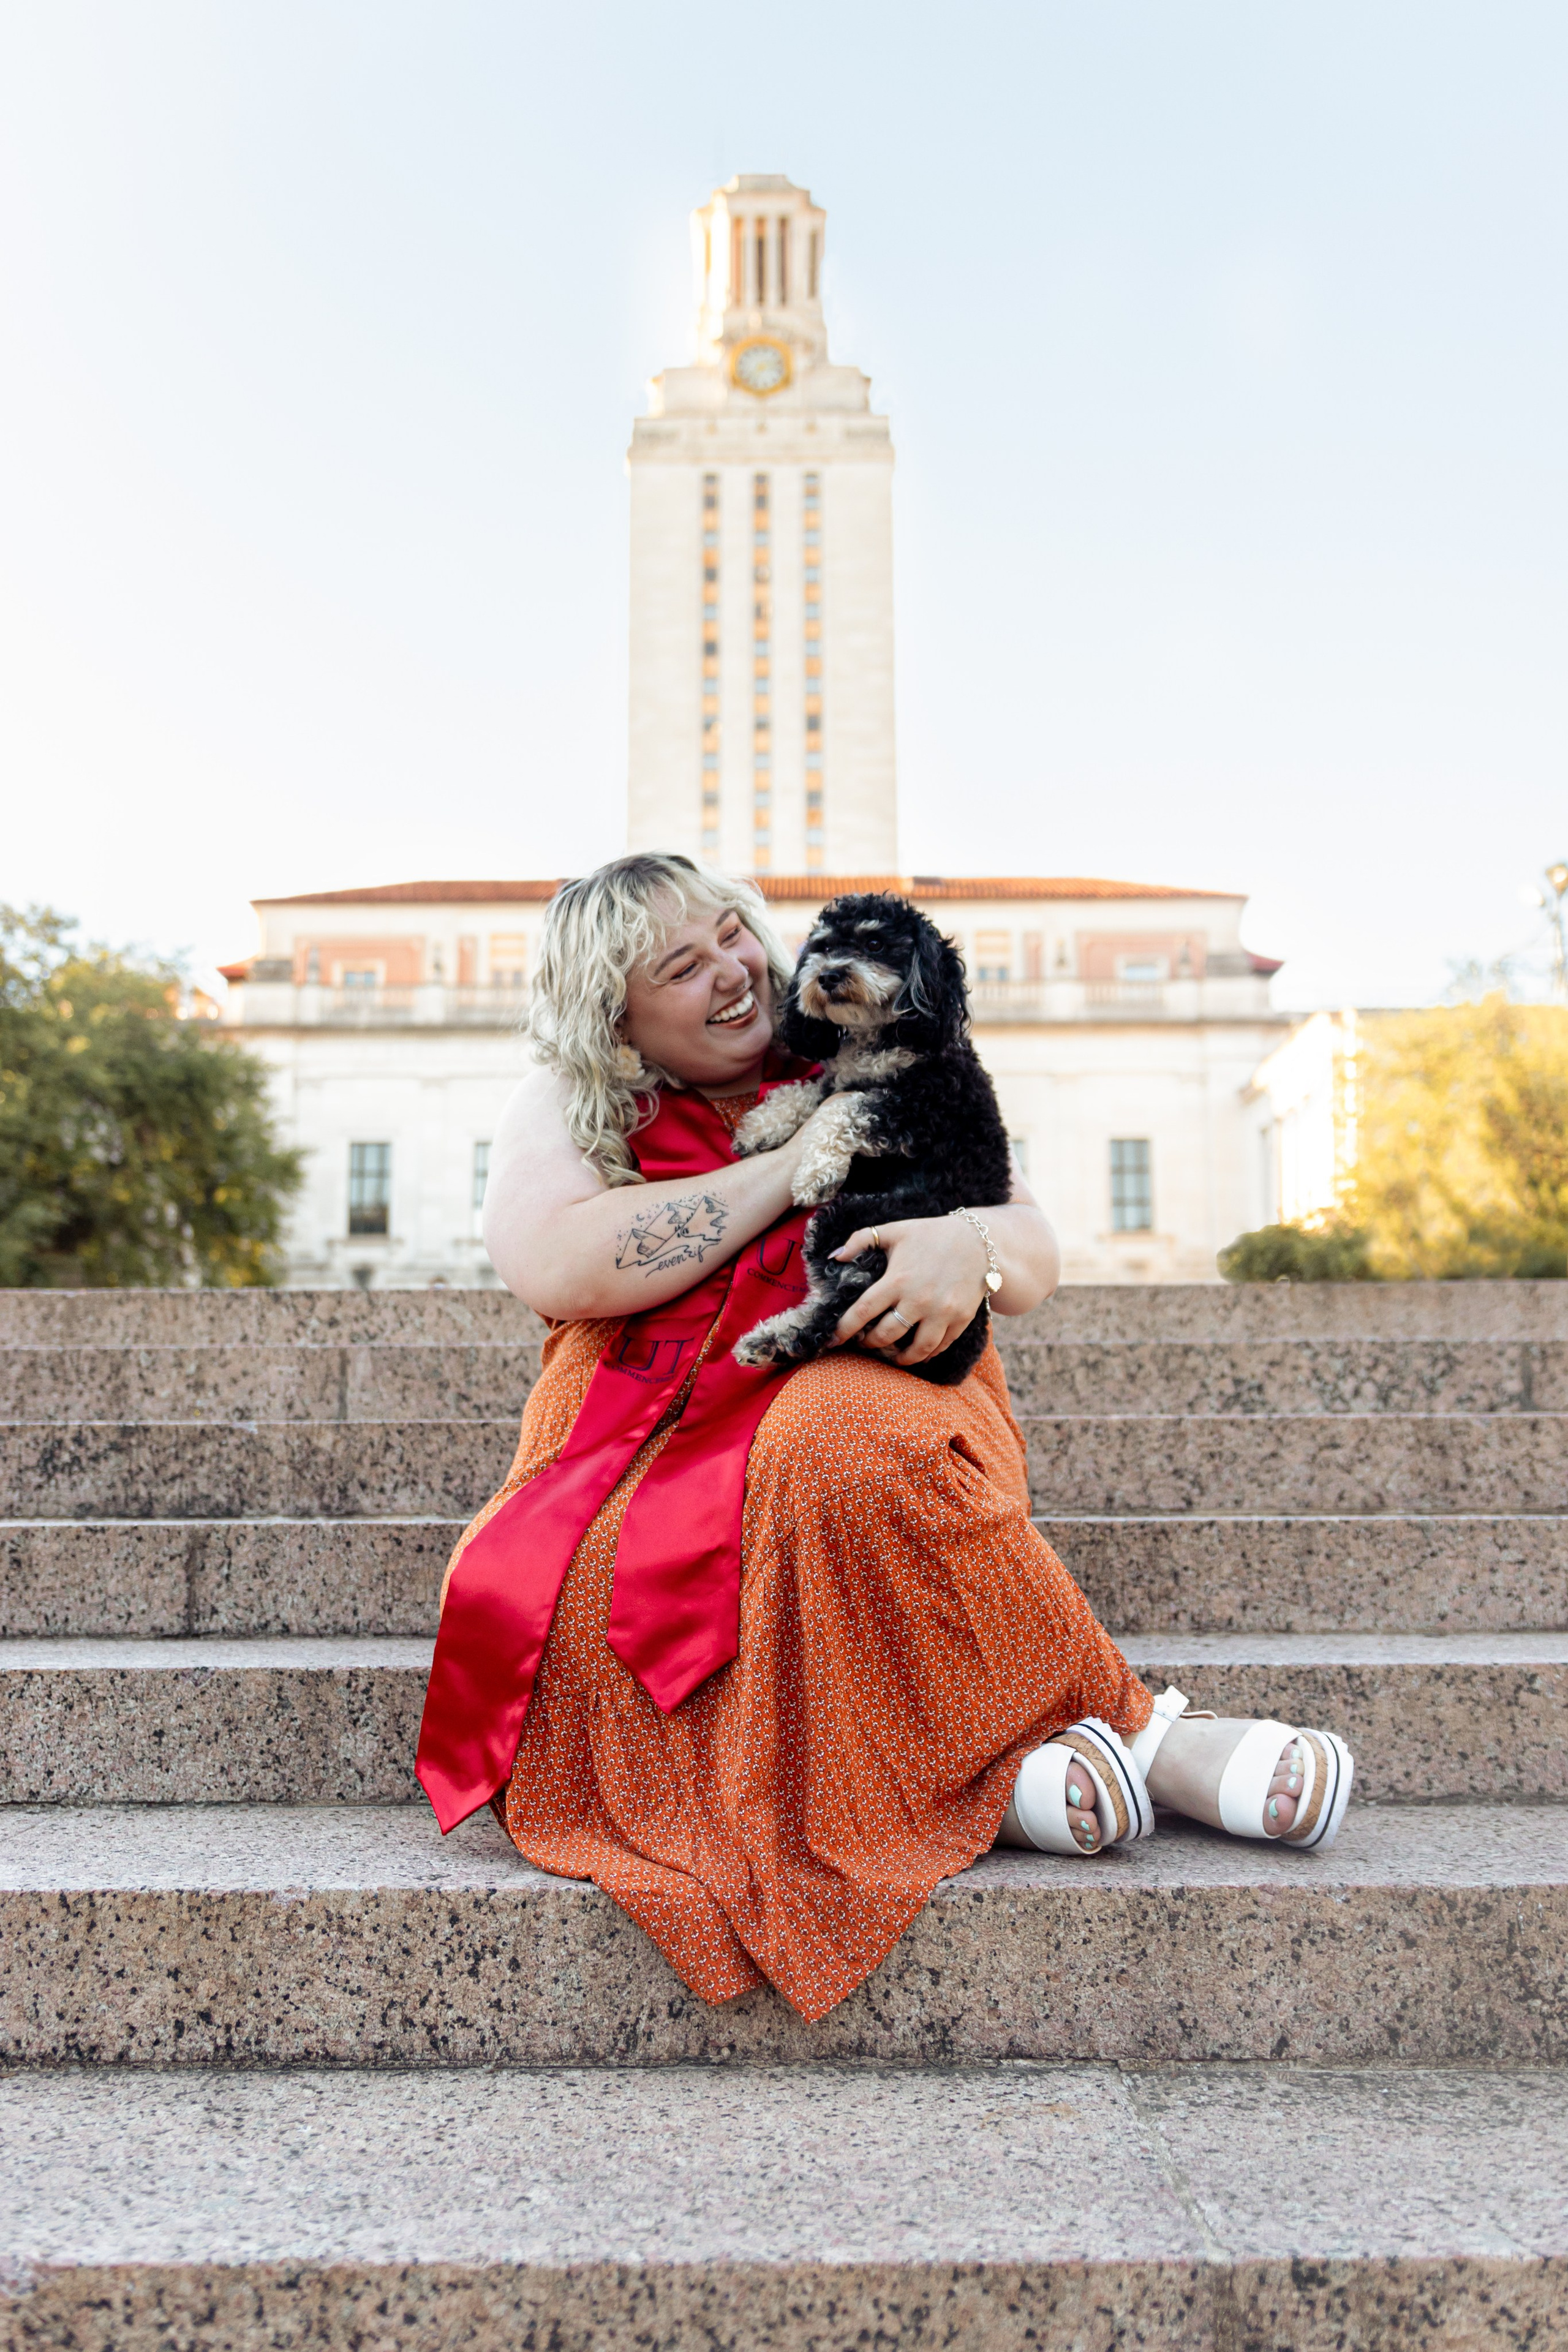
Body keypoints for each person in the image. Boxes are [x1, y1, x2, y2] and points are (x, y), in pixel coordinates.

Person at [417, 854, 1353, 2023]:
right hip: (633, 1427)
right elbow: (560, 1261)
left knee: (834, 1444)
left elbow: (1033, 1253)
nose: (733, 971)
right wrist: (792, 1168)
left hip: (874, 1378)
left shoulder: (880, 1038)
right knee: (598, 1572)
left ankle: (1143, 1732)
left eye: (732, 933)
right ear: (615, 1019)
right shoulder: (572, 1100)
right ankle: (980, 1782)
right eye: (681, 966)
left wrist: (971, 1242)